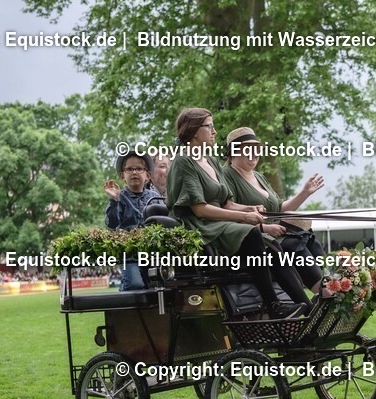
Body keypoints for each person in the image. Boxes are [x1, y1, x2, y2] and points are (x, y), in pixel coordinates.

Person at [165, 108, 311, 318]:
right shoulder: (183, 161)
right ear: (195, 130)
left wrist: (249, 208)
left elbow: (227, 203)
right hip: (200, 226)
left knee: (272, 248)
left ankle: (308, 309)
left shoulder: (211, 160)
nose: (214, 131)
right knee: (251, 232)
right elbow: (200, 209)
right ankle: (274, 305)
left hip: (217, 221)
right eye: (210, 126)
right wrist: (244, 217)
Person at [223, 126, 327, 291]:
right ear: (233, 152)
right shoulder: (226, 175)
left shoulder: (259, 176)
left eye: (257, 149)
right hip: (254, 240)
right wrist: (265, 228)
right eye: (248, 149)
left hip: (275, 234)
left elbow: (279, 209)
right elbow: (227, 215)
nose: (254, 154)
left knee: (309, 238)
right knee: (294, 245)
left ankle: (334, 283)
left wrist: (305, 192)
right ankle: (323, 292)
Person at [104, 151, 164, 290]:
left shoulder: (155, 197)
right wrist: (114, 200)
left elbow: (164, 221)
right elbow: (111, 224)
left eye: (139, 169)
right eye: (129, 169)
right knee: (134, 283)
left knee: (155, 285)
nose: (134, 172)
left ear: (148, 175)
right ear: (122, 176)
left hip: (152, 253)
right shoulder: (119, 197)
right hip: (129, 254)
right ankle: (125, 297)